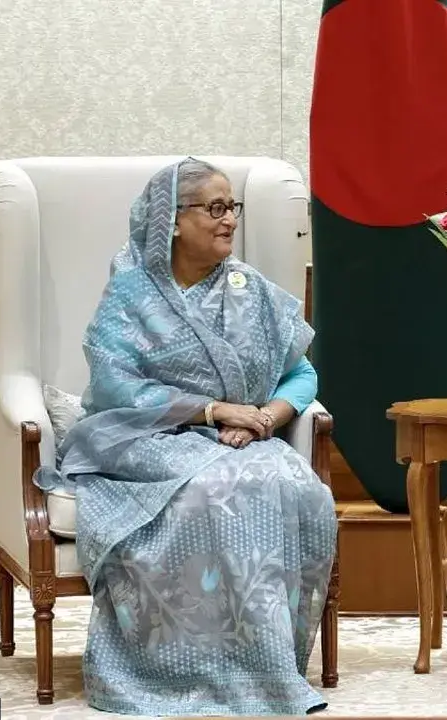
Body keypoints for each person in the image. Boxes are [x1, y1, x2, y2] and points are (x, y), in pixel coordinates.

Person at [35, 157, 338, 716]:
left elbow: (301, 374)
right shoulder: (131, 293)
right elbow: (114, 385)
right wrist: (213, 410)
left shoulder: (252, 292)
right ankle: (173, 669)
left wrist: (265, 418)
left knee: (290, 486)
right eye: (215, 208)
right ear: (172, 220)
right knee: (207, 491)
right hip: (144, 437)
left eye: (233, 208)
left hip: (243, 435)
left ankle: (266, 668)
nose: (229, 221)